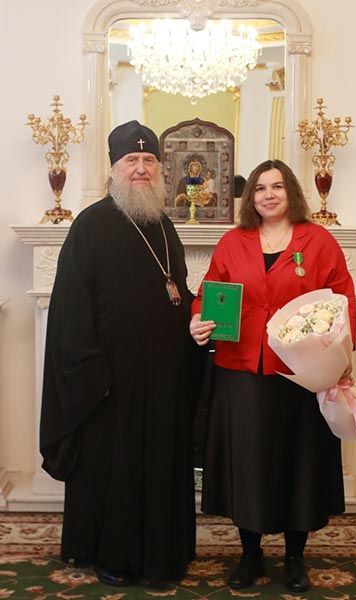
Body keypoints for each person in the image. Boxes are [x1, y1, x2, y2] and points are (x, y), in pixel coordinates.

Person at [40, 120, 204, 588]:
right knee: (117, 468)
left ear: (160, 169)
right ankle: (113, 555)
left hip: (164, 375)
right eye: (132, 160)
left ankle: (164, 552)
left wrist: (197, 319)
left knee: (160, 463)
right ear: (113, 169)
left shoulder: (164, 225)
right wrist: (94, 373)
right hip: (111, 381)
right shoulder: (89, 225)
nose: (141, 168)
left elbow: (176, 290)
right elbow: (70, 309)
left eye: (149, 160)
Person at [189, 159, 356, 593]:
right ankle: (250, 555)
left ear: (291, 193)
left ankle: (295, 559)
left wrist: (343, 354)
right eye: (260, 188)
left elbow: (342, 298)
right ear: (251, 198)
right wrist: (197, 319)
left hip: (302, 371)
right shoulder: (233, 241)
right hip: (241, 369)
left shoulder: (318, 240)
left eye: (277, 186)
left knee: (300, 463)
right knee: (248, 464)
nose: (268, 194)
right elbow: (209, 293)